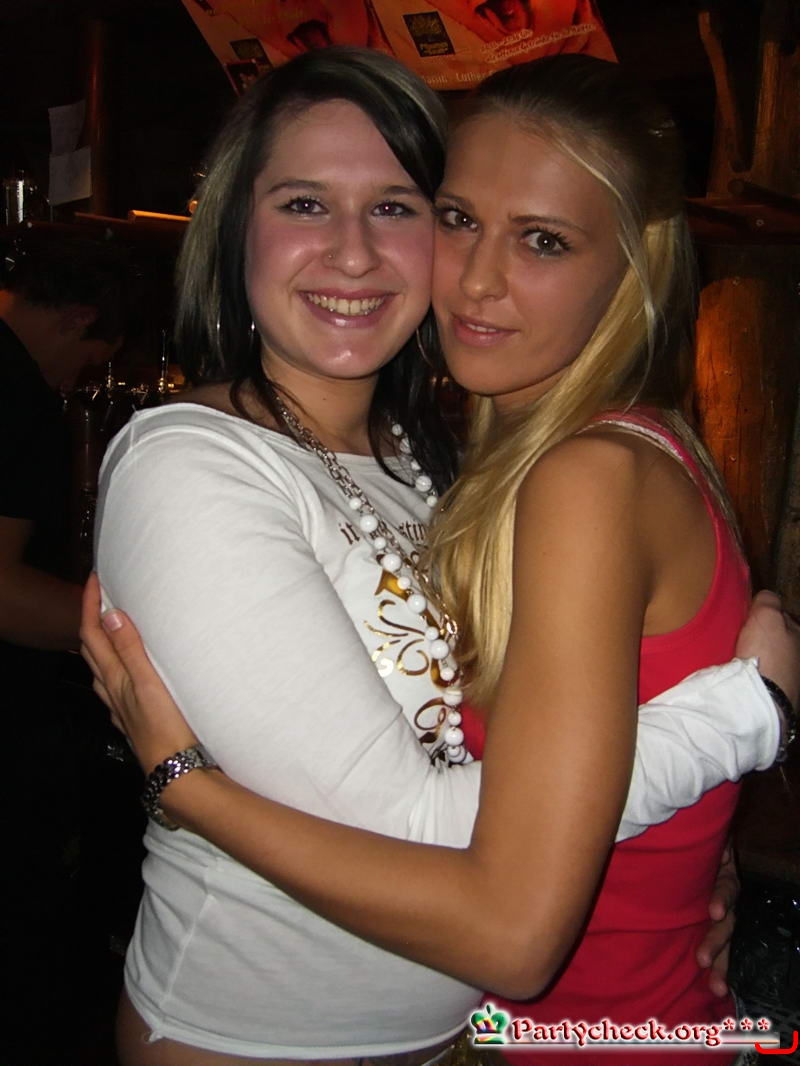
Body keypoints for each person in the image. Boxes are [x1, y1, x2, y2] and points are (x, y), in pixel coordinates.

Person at [82, 50, 795, 1066]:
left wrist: (686, 849)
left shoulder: (450, 465)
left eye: (398, 208)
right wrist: (733, 722)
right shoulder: (194, 465)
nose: (353, 253)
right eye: (303, 204)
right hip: (260, 1043)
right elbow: (445, 844)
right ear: (235, 226)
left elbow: (519, 807)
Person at [0, 232, 130, 1064]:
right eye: (90, 363)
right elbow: (4, 595)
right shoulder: (16, 393)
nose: (77, 383)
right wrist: (133, 633)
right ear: (80, 320)